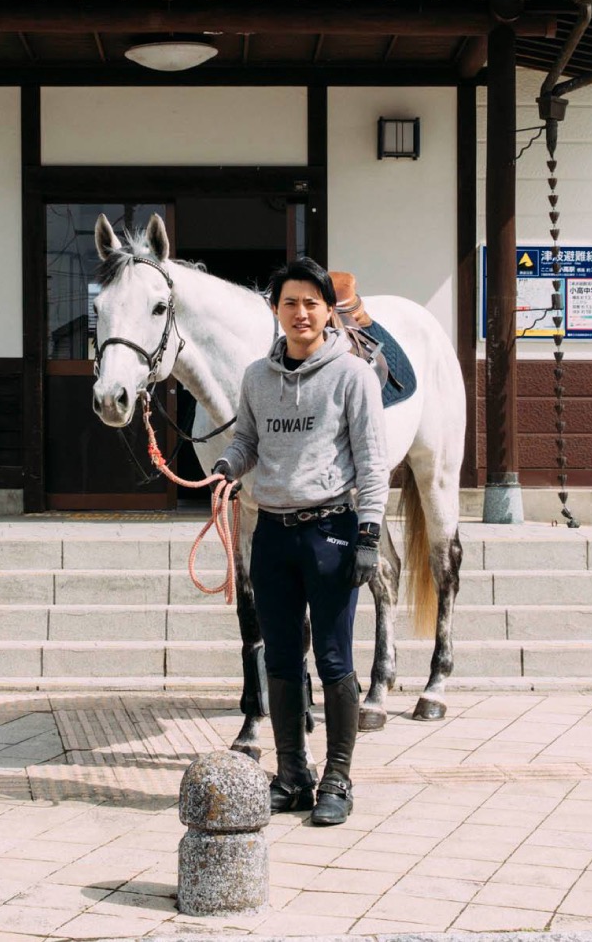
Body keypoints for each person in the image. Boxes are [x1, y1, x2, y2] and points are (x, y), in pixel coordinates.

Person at [213, 256, 388, 826]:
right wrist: (227, 465)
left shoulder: (353, 376)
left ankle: (338, 778)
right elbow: (247, 441)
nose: (301, 312)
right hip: (271, 533)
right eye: (290, 302)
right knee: (282, 656)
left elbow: (373, 461)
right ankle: (292, 775)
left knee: (334, 658)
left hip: (330, 531)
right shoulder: (256, 378)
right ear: (276, 310)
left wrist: (368, 533)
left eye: (311, 303)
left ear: (328, 310)